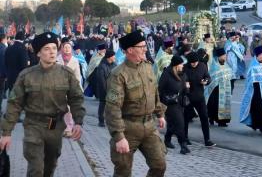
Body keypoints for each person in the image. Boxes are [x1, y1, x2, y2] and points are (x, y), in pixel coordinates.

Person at [0, 32, 85, 176]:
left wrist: (78, 122)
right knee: (36, 167)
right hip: (34, 125)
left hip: (55, 126)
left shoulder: (66, 74)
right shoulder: (26, 75)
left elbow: (76, 98)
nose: (52, 52)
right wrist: (6, 133)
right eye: (46, 49)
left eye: (53, 48)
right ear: (38, 53)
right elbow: (14, 104)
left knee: (50, 166)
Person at [104, 30, 167, 177]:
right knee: (123, 171)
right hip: (128, 129)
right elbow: (112, 108)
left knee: (159, 165)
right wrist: (119, 137)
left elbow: (154, 92)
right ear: (130, 50)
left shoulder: (147, 67)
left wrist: (160, 114)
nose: (146, 49)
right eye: (142, 46)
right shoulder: (118, 74)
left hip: (149, 126)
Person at [159, 55, 190, 154]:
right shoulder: (166, 74)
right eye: (181, 64)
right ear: (176, 65)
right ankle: (183, 145)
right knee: (180, 123)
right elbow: (160, 90)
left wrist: (187, 88)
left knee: (173, 124)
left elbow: (186, 86)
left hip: (180, 102)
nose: (182, 66)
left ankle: (167, 140)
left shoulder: (182, 74)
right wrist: (162, 103)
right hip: (170, 103)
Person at [182, 51, 214, 147]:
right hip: (188, 97)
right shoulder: (185, 67)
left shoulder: (202, 66)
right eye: (192, 63)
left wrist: (206, 81)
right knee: (186, 119)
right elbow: (179, 79)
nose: (194, 64)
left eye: (195, 62)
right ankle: (185, 138)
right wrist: (185, 84)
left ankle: (207, 140)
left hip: (200, 96)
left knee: (204, 117)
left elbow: (208, 77)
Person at [205, 47, 234, 127]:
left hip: (226, 89)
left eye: (225, 55)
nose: (225, 56)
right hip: (216, 90)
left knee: (225, 104)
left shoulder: (227, 65)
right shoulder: (215, 66)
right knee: (215, 105)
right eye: (223, 55)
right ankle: (214, 119)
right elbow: (212, 80)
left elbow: (231, 76)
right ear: (219, 57)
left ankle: (223, 121)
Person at [96, 48, 117, 127]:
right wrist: (106, 91)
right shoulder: (102, 66)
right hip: (103, 89)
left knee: (113, 106)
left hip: (113, 89)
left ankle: (111, 121)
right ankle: (101, 120)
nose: (114, 57)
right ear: (109, 57)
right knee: (103, 104)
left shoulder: (115, 65)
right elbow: (101, 80)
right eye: (113, 56)